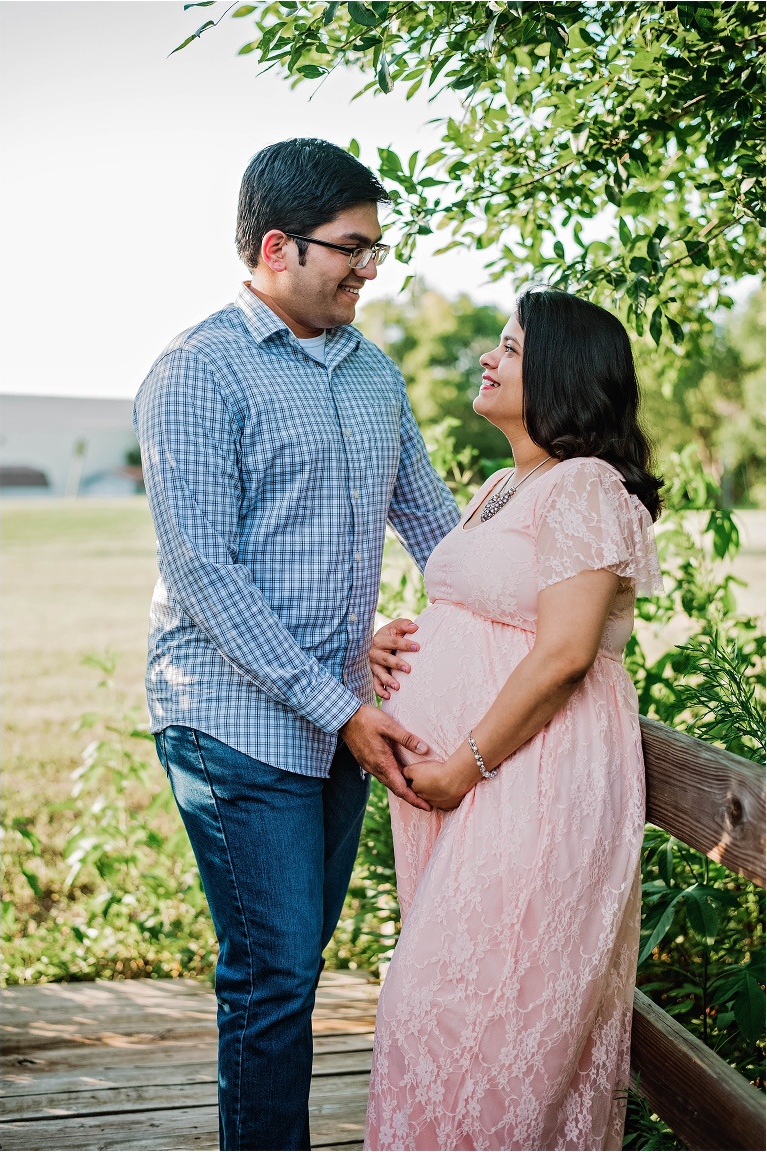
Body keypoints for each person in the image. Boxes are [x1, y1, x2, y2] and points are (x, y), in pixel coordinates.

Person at [133, 137, 459, 1152]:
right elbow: (205, 578)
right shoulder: (195, 374)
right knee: (274, 971)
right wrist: (346, 709)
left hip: (337, 715)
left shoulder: (374, 374)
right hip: (231, 717)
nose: (370, 268)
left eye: (374, 247)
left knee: (295, 959)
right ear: (278, 246)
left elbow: (437, 526)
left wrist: (546, 607)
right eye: (350, 248)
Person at [364, 286, 664, 1152]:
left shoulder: (587, 488)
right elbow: (474, 605)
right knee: (448, 1009)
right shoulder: (505, 483)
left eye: (510, 347)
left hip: (526, 774)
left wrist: (463, 764)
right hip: (471, 782)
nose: (488, 360)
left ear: (563, 374)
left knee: (470, 1015)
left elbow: (566, 652)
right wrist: (394, 645)